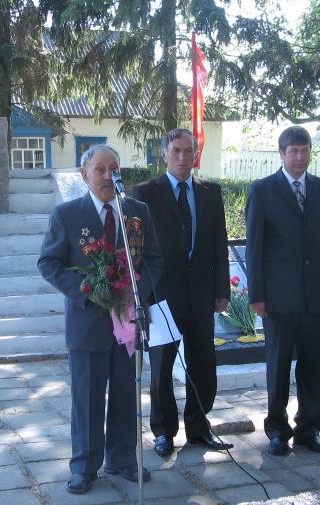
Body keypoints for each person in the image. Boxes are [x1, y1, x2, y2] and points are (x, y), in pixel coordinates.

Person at [38, 144, 162, 494]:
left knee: (126, 394)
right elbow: (49, 263)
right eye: (101, 169)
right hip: (87, 323)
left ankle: (122, 458)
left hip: (128, 323)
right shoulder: (67, 215)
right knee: (87, 398)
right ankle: (84, 466)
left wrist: (135, 287)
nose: (109, 176)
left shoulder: (137, 213)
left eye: (115, 169)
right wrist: (84, 288)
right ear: (85, 175)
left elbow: (154, 259)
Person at [133, 129, 233, 457]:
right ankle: (164, 432)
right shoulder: (145, 193)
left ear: (195, 154)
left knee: (203, 363)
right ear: (163, 154)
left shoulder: (210, 192)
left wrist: (222, 290)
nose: (182, 157)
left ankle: (199, 427)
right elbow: (138, 250)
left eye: (188, 151)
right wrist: (143, 296)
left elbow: (220, 243)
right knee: (161, 367)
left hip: (202, 294)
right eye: (175, 151)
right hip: (162, 296)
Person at [245, 126, 320, 456]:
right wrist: (256, 295)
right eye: (293, 151)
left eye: (305, 150)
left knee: (312, 366)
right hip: (277, 299)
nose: (299, 157)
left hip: (315, 297)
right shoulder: (262, 191)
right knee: (278, 365)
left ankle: (309, 429)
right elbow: (254, 248)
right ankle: (277, 430)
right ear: (282, 154)